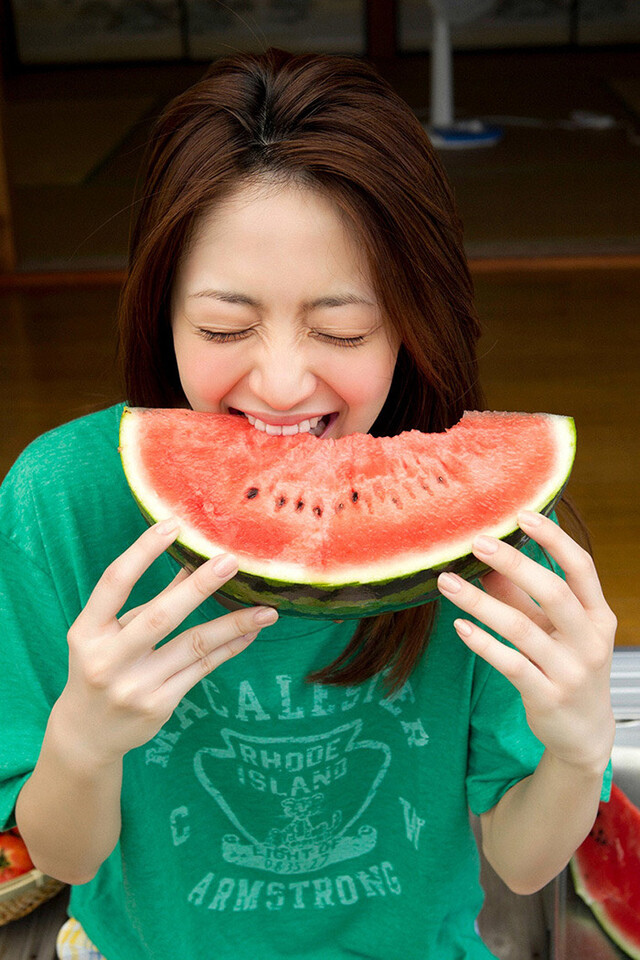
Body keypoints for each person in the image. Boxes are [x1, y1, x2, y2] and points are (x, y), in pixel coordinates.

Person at [0, 48, 616, 960]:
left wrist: (577, 746)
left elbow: (523, 865)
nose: (283, 383)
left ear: (412, 321)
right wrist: (84, 743)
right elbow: (60, 855)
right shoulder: (61, 500)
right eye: (223, 327)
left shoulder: (498, 530)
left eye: (342, 330)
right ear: (161, 313)